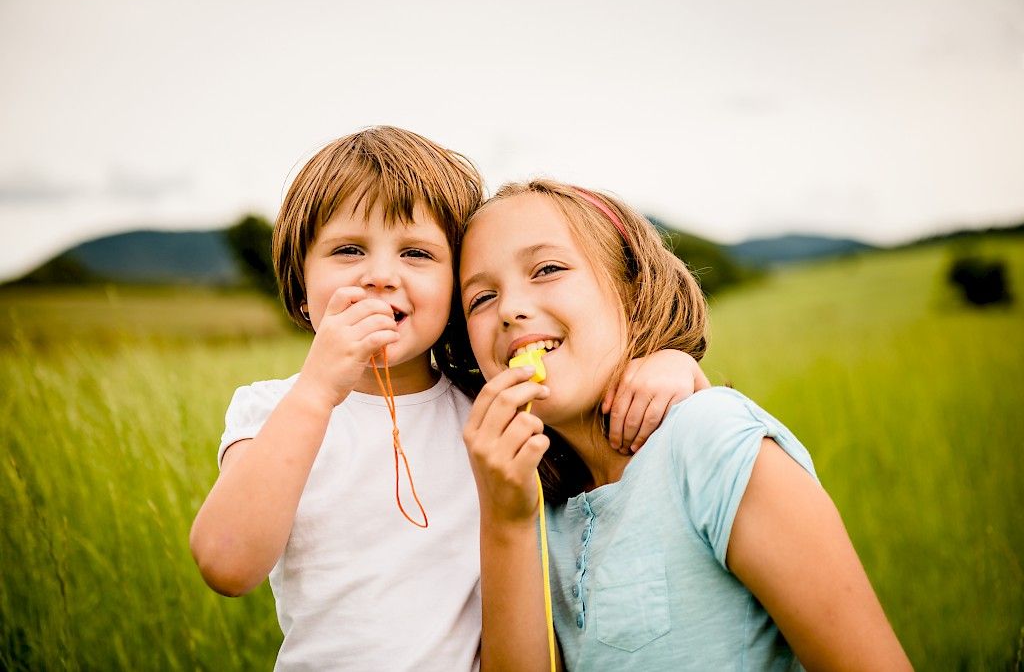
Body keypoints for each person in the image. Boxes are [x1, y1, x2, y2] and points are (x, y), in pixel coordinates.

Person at [188, 128, 710, 671]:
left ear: (458, 289)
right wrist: (318, 389)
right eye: (347, 250)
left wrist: (673, 363)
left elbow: (600, 424)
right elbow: (227, 563)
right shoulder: (274, 412)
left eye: (416, 253)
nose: (381, 277)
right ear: (300, 287)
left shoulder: (491, 413)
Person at [458, 179, 912, 670]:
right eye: (480, 299)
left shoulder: (711, 439)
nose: (510, 310)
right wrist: (506, 522)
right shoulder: (531, 509)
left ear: (632, 290)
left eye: (547, 269)